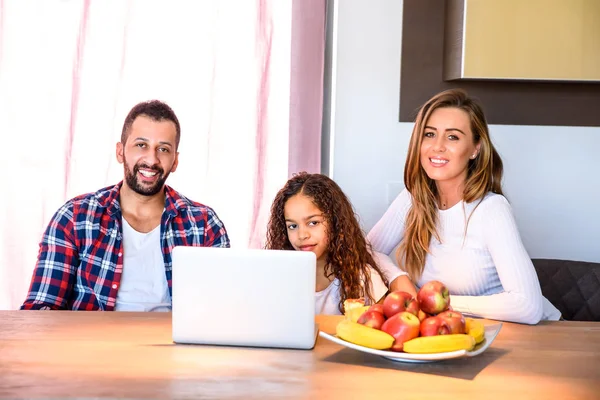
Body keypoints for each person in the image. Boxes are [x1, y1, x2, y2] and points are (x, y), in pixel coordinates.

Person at [367, 89, 561, 324]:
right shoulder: (413, 197)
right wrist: (398, 278)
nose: (437, 146)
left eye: (453, 137)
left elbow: (527, 307)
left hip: (538, 338)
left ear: (475, 149)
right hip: (459, 333)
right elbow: (365, 252)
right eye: (429, 134)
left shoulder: (491, 209)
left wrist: (431, 302)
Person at [21, 100, 230, 311]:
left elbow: (221, 311)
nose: (152, 159)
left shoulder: (204, 224)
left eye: (163, 149)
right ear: (120, 152)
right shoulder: (75, 218)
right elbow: (41, 308)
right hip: (94, 341)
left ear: (175, 161)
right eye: (141, 145)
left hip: (173, 342)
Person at [265, 172, 414, 315]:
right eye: (293, 226)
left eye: (313, 223)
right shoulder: (278, 277)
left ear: (335, 223)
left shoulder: (363, 278)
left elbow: (379, 330)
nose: (302, 235)